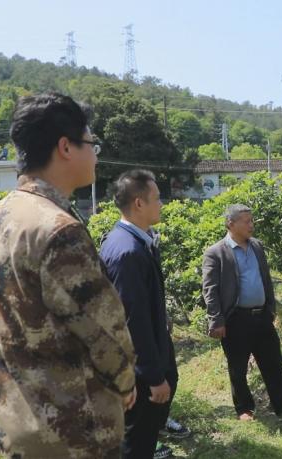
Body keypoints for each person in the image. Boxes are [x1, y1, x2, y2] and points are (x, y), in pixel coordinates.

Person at [0, 93, 136, 457]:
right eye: (92, 143)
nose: (95, 153)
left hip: (12, 429)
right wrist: (126, 383)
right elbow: (107, 334)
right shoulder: (58, 230)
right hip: (71, 434)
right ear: (66, 147)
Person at [201, 204, 282, 420]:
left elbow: (265, 279)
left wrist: (270, 309)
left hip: (262, 316)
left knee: (273, 361)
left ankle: (281, 401)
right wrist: (216, 320)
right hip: (236, 319)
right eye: (247, 221)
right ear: (231, 224)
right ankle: (244, 408)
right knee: (238, 367)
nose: (252, 225)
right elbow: (209, 290)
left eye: (252, 220)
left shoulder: (257, 246)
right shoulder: (216, 253)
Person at [100, 169, 177, 459]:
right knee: (136, 438)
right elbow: (133, 319)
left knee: (144, 434)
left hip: (152, 351)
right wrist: (153, 377)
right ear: (139, 203)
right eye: (157, 198)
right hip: (139, 367)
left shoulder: (139, 240)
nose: (162, 204)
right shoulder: (127, 252)